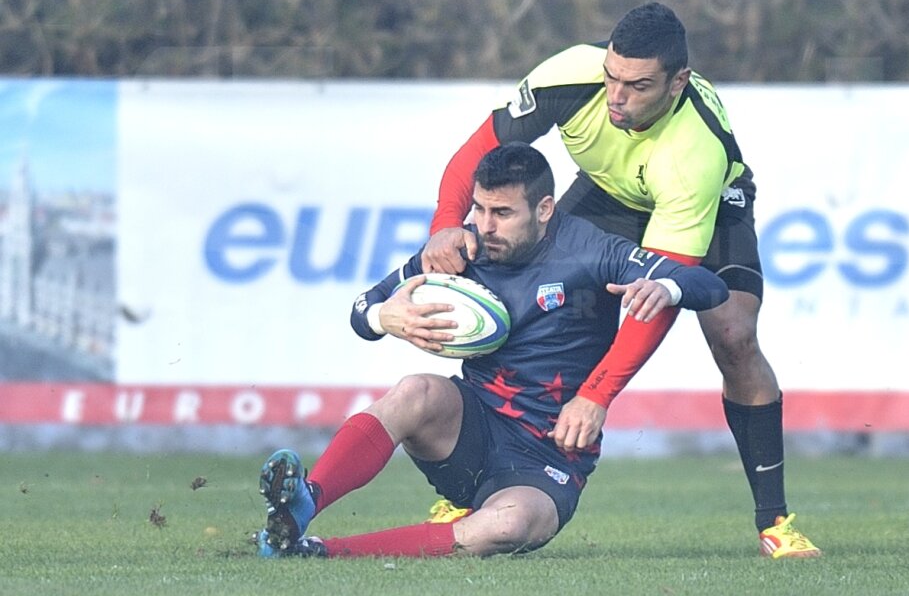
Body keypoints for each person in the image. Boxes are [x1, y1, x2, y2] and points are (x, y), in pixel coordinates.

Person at [416, 1, 818, 557]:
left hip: (711, 203)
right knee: (529, 291)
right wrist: (442, 228)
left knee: (733, 335)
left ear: (678, 83)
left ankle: (774, 521)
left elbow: (655, 298)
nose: (616, 98)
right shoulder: (570, 75)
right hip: (608, 191)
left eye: (638, 85)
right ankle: (474, 482)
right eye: (612, 77)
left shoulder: (694, 153)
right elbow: (473, 157)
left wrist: (596, 396)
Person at [254, 143, 731, 558]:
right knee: (415, 389)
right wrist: (385, 317)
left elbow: (708, 285)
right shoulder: (459, 248)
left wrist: (667, 288)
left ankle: (316, 553)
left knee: (509, 526)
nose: (485, 226)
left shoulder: (590, 249)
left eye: (502, 213)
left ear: (544, 209)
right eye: (479, 209)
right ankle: (305, 502)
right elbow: (363, 310)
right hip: (470, 426)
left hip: (550, 455)